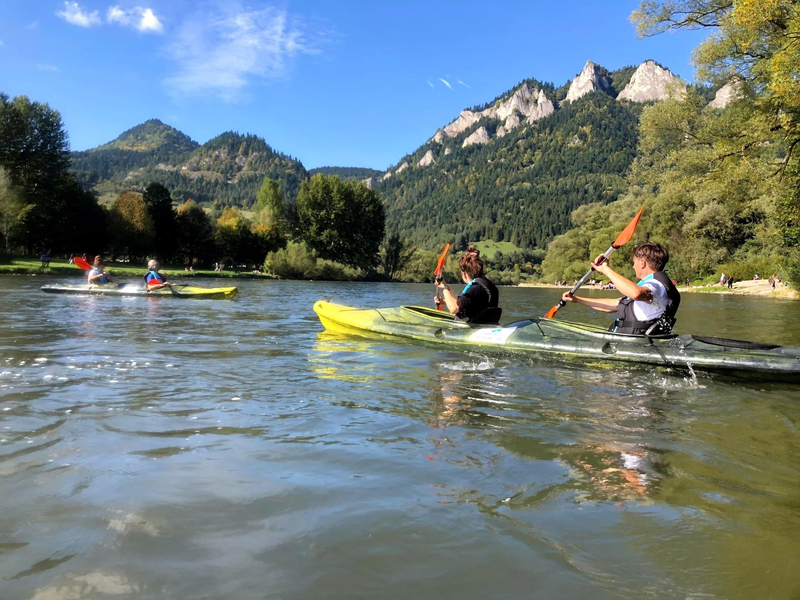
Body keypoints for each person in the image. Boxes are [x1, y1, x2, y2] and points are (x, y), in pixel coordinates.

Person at [560, 242, 681, 335]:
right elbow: (614, 304)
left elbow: (636, 293)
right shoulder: (653, 285)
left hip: (635, 344)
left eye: (634, 262)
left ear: (643, 263)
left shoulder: (656, 286)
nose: (633, 266)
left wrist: (605, 269)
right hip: (635, 342)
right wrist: (577, 299)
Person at [434, 246, 500, 324]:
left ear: (464, 274)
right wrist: (443, 301)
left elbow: (454, 308)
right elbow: (470, 304)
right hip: (486, 325)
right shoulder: (490, 287)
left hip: (471, 330)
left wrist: (444, 287)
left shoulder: (475, 289)